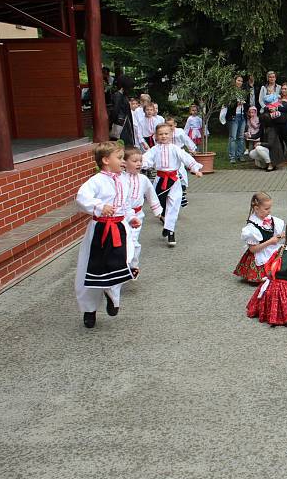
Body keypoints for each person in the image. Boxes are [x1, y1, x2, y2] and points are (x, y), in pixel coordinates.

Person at [75, 142, 140, 329]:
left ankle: (112, 295)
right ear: (105, 160)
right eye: (119, 158)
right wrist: (99, 206)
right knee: (92, 267)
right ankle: (89, 309)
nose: (122, 162)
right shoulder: (96, 180)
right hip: (100, 229)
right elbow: (82, 197)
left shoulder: (124, 180)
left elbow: (126, 205)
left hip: (120, 227)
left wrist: (131, 217)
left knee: (123, 262)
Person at [141, 123, 203, 246]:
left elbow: (186, 158)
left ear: (171, 135)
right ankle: (165, 223)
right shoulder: (154, 150)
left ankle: (170, 231)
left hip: (174, 180)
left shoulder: (175, 148)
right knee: (160, 205)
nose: (163, 136)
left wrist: (195, 169)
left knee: (173, 205)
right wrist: (141, 165)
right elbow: (146, 160)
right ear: (156, 136)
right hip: (160, 179)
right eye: (160, 134)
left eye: (166, 134)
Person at [122, 147, 162, 279]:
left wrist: (157, 211)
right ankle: (122, 266)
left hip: (137, 217)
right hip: (122, 216)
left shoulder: (143, 179)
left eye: (140, 161)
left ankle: (133, 265)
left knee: (133, 241)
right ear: (124, 163)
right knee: (123, 242)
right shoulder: (120, 179)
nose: (139, 163)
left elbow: (151, 194)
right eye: (134, 161)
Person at [233, 192, 284, 285]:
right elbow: (253, 249)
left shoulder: (271, 220)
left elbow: (274, 238)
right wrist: (270, 241)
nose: (269, 211)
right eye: (266, 209)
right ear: (256, 208)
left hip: (271, 249)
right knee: (263, 278)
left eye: (270, 208)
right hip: (259, 252)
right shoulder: (251, 227)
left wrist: (280, 236)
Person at [224, 75, 247, 164]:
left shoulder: (243, 92)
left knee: (241, 137)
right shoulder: (230, 92)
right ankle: (232, 156)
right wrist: (236, 103)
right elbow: (227, 105)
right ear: (234, 81)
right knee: (233, 137)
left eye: (241, 81)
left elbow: (247, 103)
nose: (240, 82)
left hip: (241, 116)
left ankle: (240, 155)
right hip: (233, 116)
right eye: (238, 80)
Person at [109, 76, 134, 144]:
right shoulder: (118, 95)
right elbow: (115, 111)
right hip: (121, 124)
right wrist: (111, 123)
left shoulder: (122, 95)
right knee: (123, 143)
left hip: (124, 122)